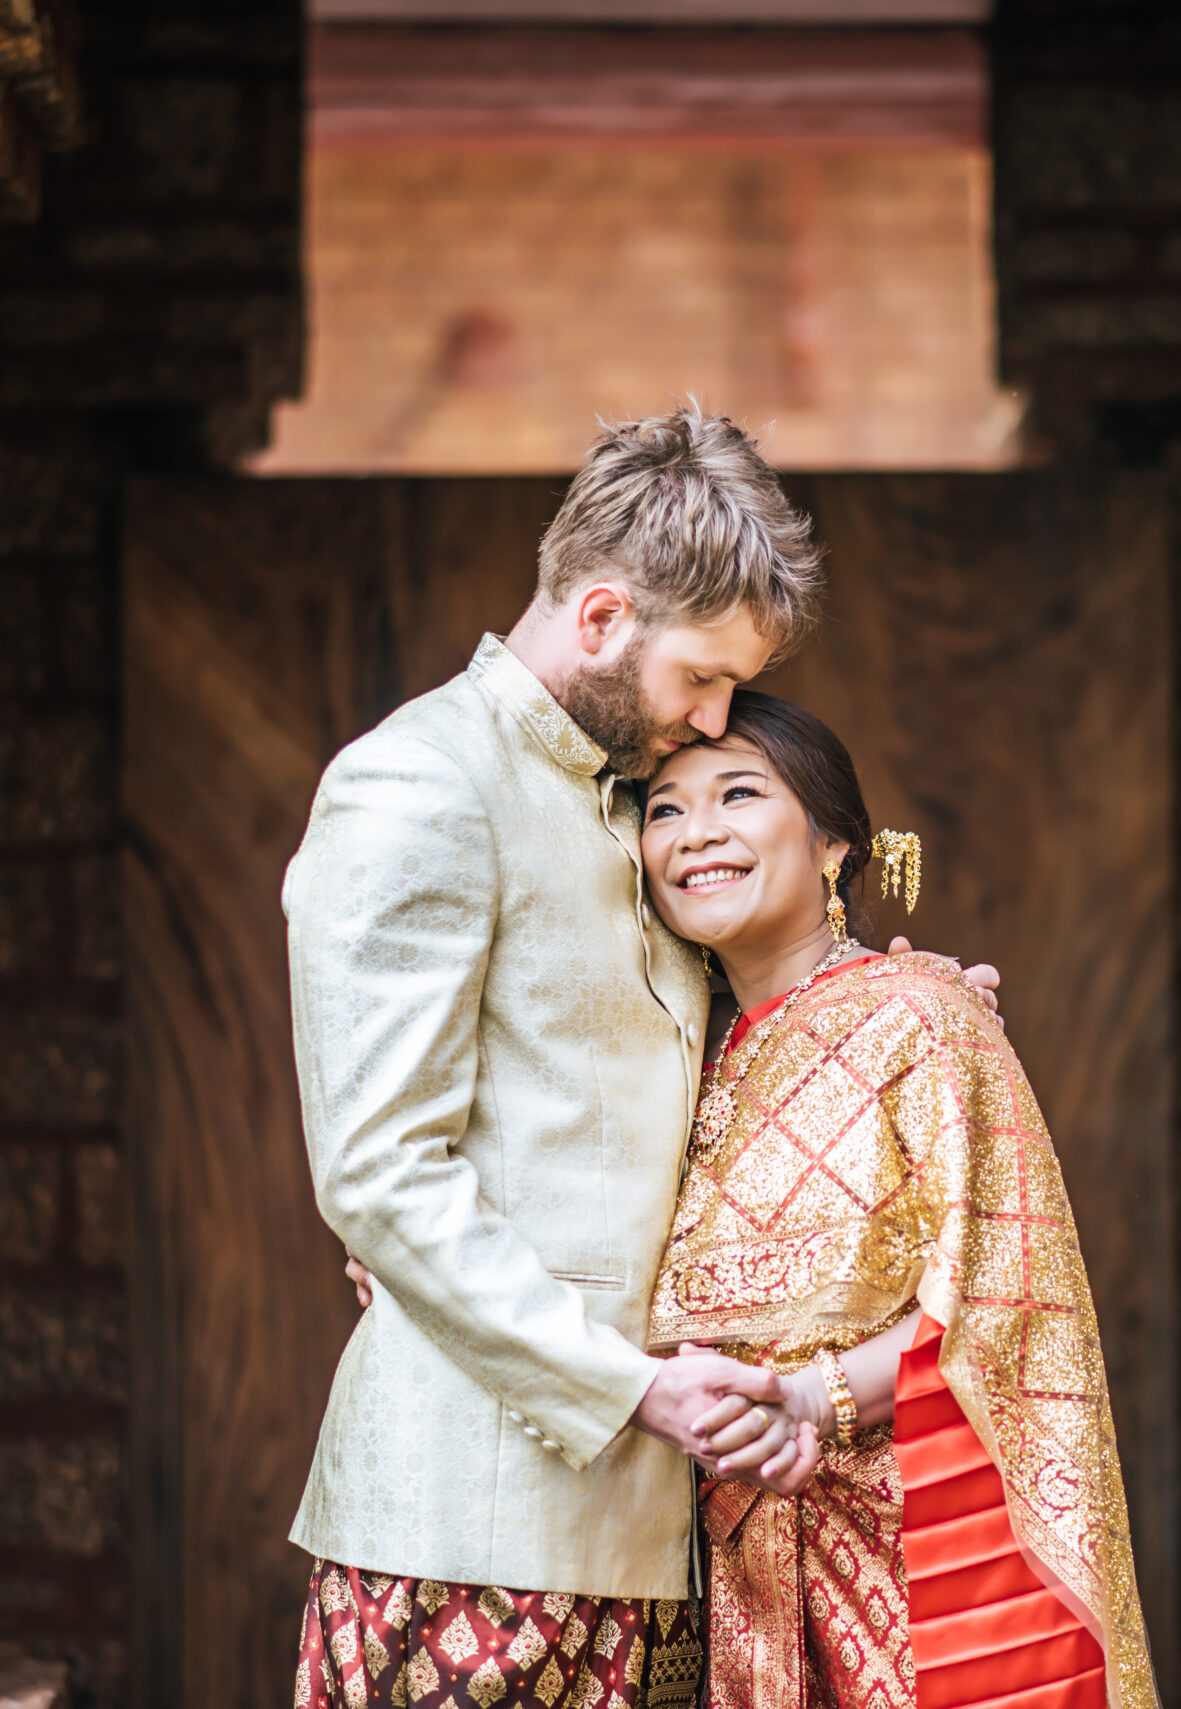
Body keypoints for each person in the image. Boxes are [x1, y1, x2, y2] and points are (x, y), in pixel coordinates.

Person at [285, 408, 994, 1709]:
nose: (715, 718)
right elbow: (381, 1173)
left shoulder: (627, 803)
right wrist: (633, 1389)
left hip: (656, 1546)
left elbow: (718, 1076)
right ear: (604, 618)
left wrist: (903, 1003)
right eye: (703, 678)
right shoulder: (421, 785)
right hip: (467, 1533)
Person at [636, 691, 1156, 1709]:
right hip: (711, 1578)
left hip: (902, 1569)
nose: (696, 831)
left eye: (737, 793)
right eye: (662, 808)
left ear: (832, 843)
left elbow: (1000, 1307)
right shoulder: (665, 1062)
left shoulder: (922, 1018)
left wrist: (804, 1397)